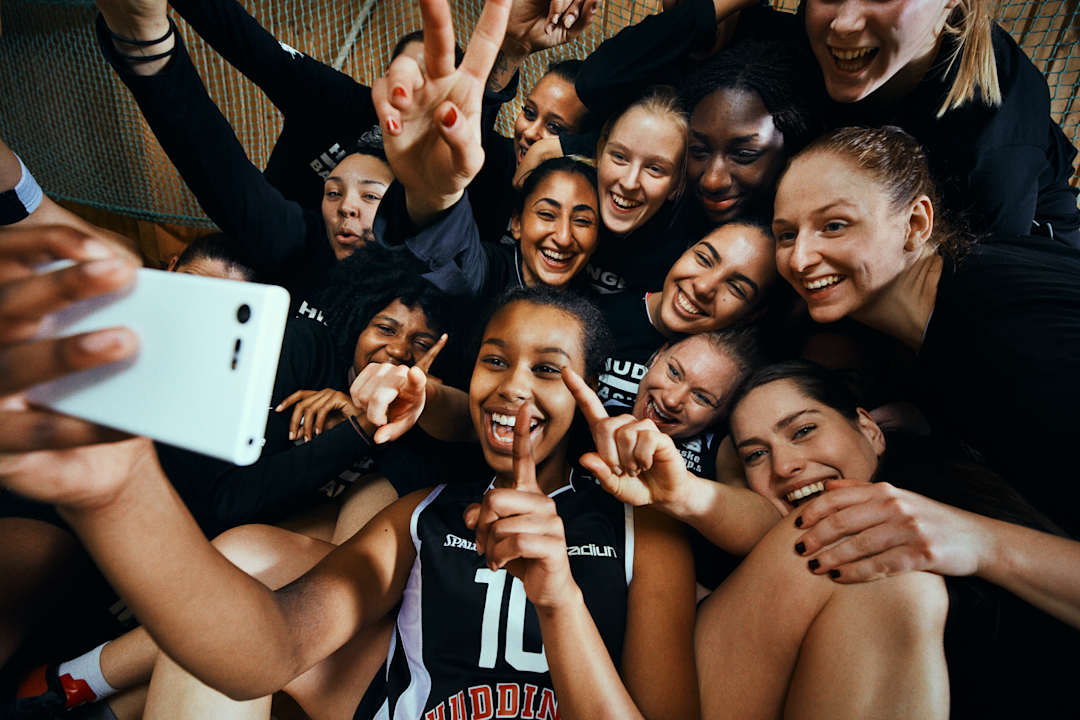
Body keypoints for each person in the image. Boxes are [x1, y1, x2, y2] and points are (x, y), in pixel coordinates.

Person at [0, 213, 701, 720]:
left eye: (548, 369)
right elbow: (269, 650)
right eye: (495, 360)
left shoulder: (643, 533)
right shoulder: (424, 513)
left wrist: (559, 600)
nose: (513, 386)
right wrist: (118, 486)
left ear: (588, 393)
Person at [716, 362, 1080, 718]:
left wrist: (978, 541)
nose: (783, 466)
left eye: (803, 430)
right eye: (756, 455)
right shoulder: (805, 553)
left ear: (870, 430)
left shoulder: (986, 487)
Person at [771, 124, 1080, 538]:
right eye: (786, 235)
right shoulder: (964, 283)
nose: (799, 259)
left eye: (835, 225)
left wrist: (977, 542)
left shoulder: (1019, 356)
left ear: (916, 223)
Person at [594, 216, 777, 406]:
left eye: (736, 288)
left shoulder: (734, 382)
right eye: (704, 259)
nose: (703, 287)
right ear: (685, 250)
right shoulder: (598, 317)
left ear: (750, 315)